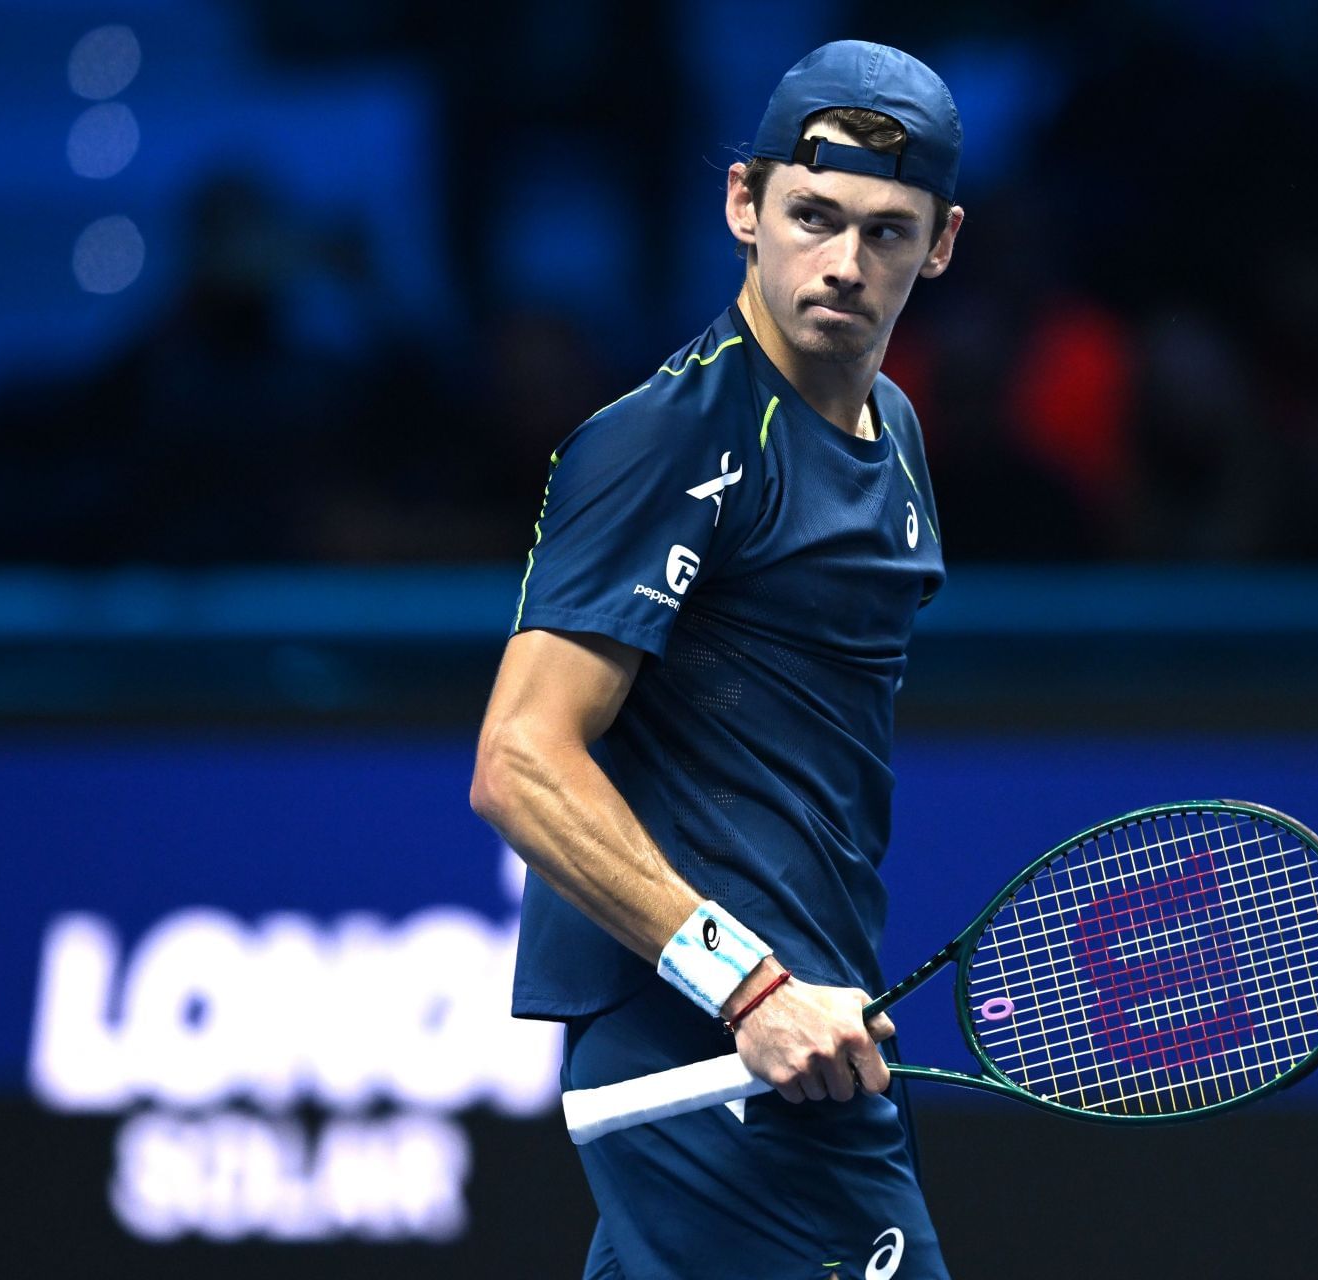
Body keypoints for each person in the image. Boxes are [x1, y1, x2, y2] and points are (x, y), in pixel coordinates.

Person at [470, 39, 965, 1279]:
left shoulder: (894, 429)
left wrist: (802, 990)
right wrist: (747, 985)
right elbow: (520, 761)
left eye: (888, 232)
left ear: (941, 244)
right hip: (708, 1049)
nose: (846, 264)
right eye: (813, 216)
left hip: (801, 1031)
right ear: (743, 204)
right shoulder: (662, 440)